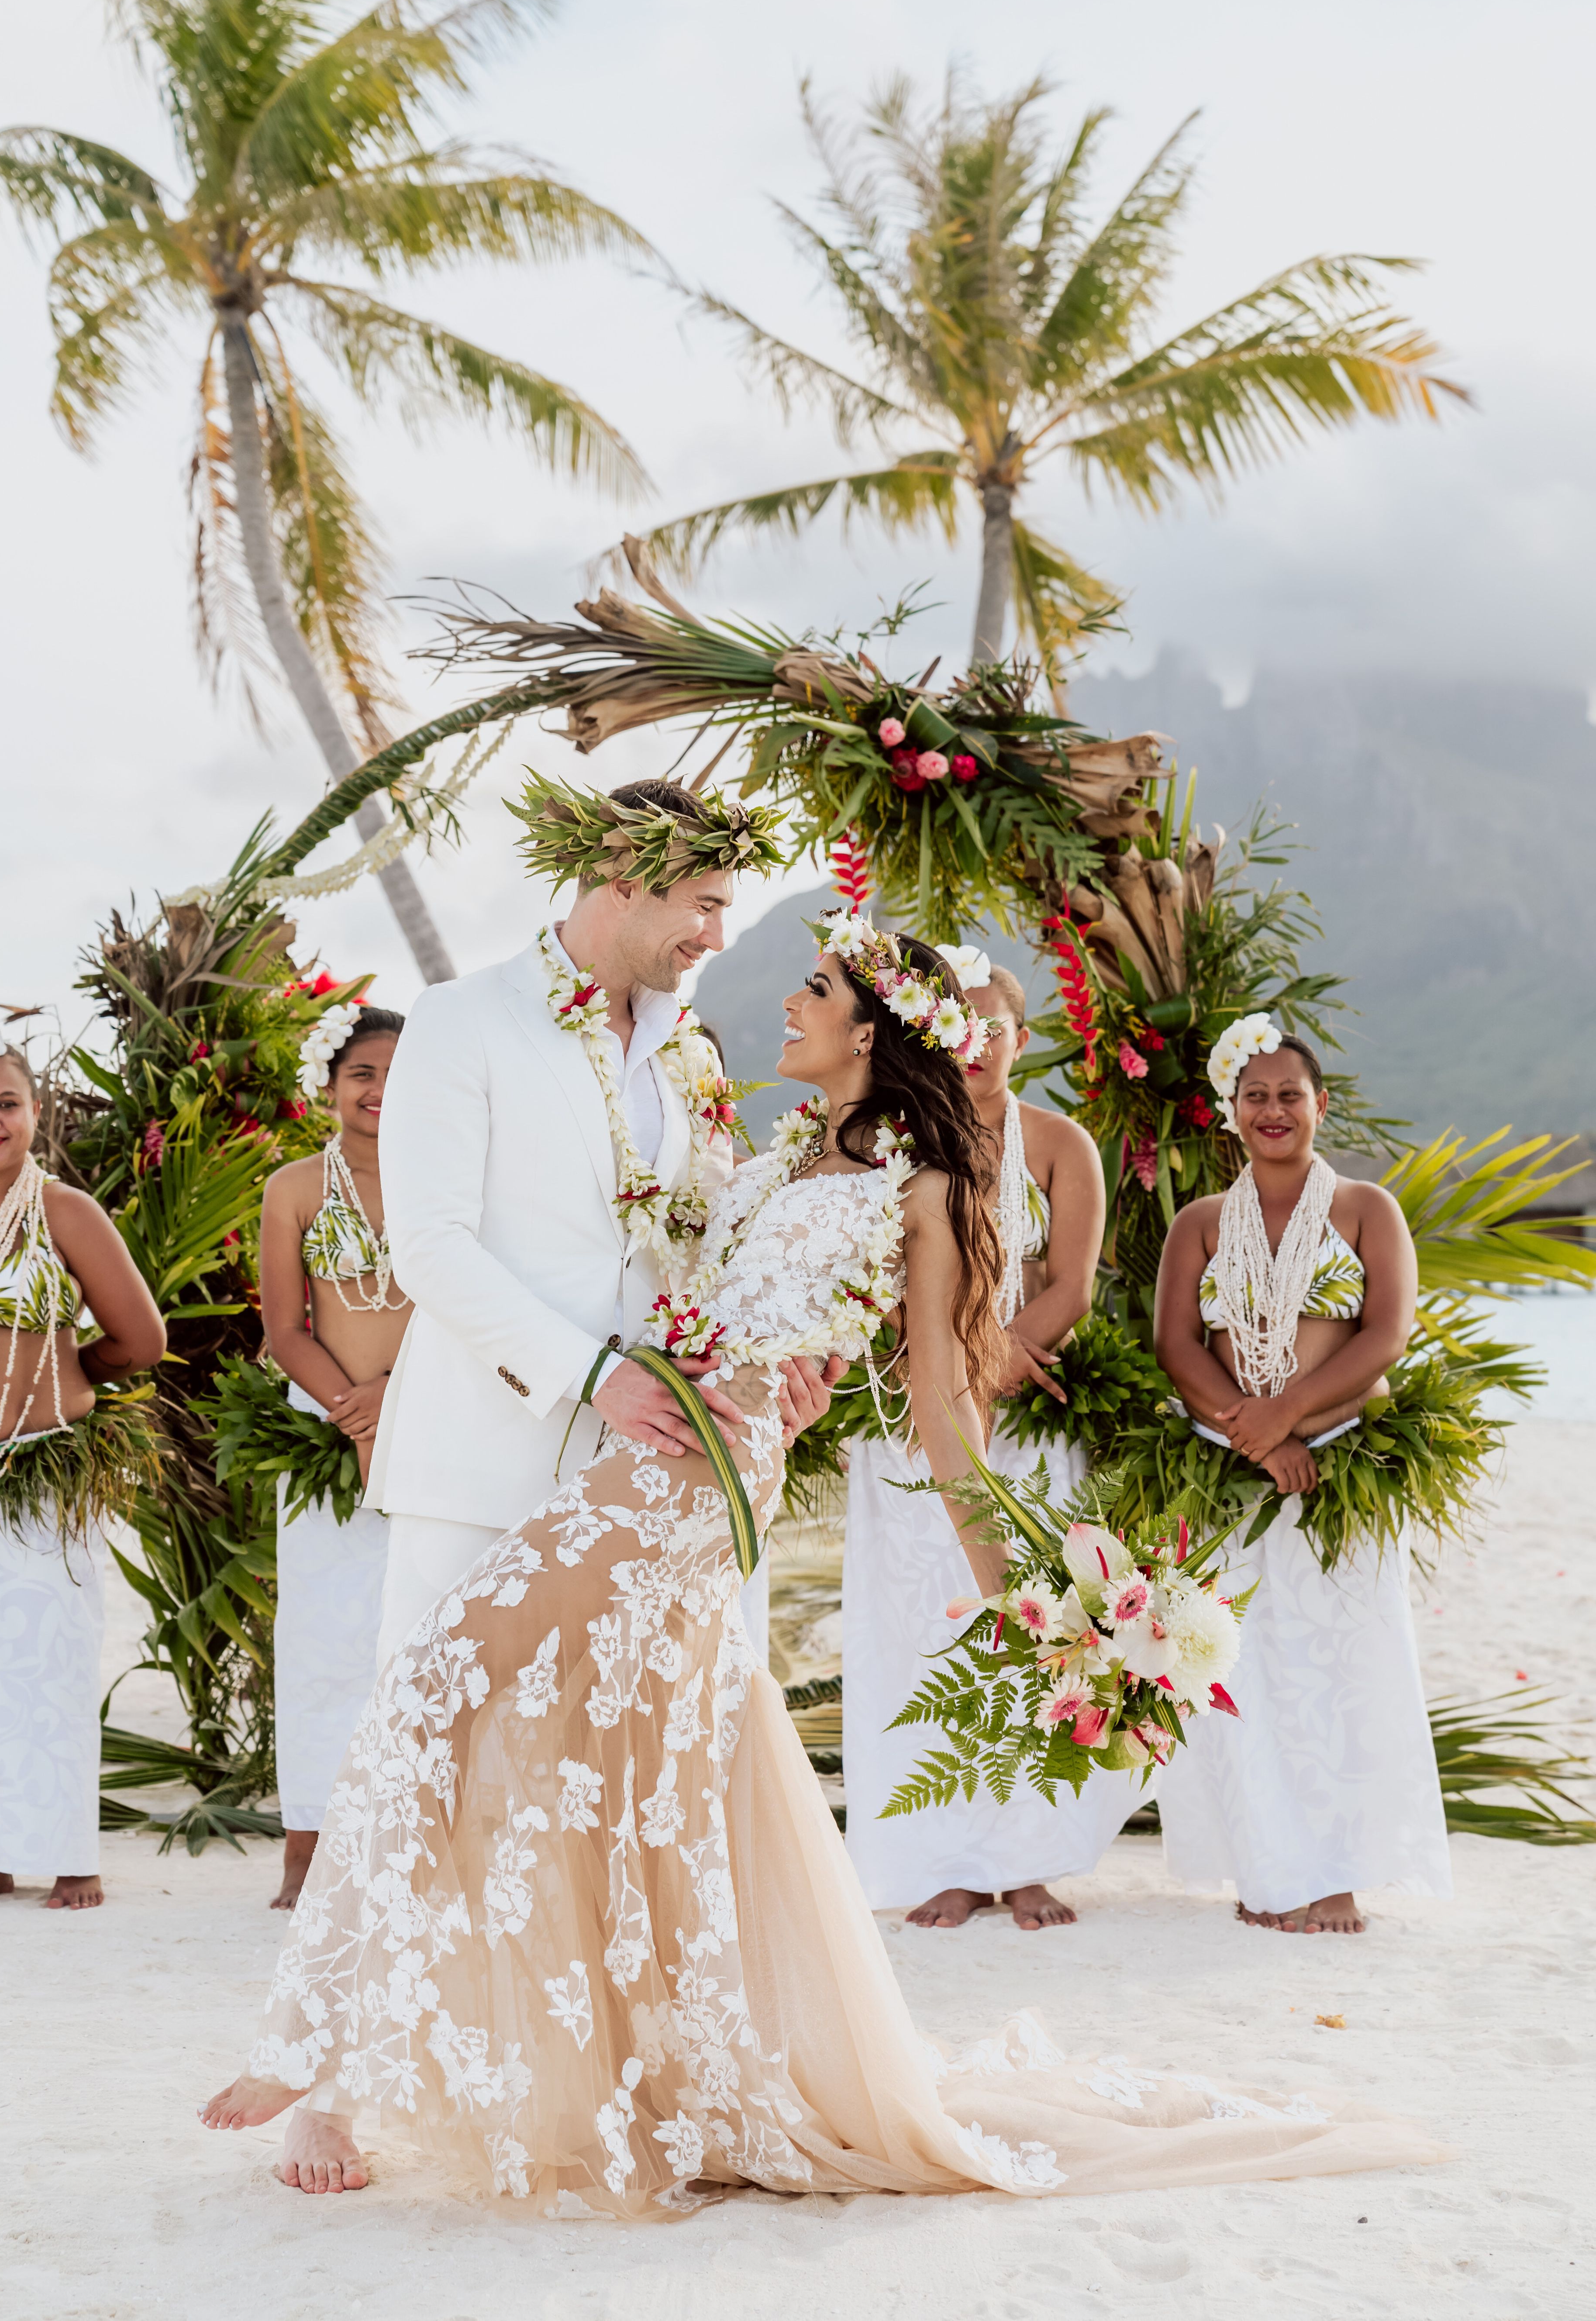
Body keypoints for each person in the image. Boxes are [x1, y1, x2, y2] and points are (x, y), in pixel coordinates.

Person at [200, 899, 1440, 2209]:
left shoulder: (930, 1192)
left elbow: (948, 1421)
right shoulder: (785, 1154)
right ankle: (587, 2069)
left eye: (818, 992)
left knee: (441, 1676)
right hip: (644, 1454)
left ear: (875, 1032)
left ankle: (313, 2050)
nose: (787, 1006)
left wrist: (1040, 1611)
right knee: (600, 1762)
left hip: (694, 1485)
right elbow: (669, 1284)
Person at [231, 775, 835, 2189]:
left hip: (655, 1473)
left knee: (628, 1776)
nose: (713, 934)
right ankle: (334, 2082)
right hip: (483, 1462)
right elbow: (432, 1245)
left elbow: (704, 1250)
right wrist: (587, 1374)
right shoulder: (465, 1023)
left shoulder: (689, 1054)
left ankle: (636, 2071)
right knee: (422, 1757)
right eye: (701, 904)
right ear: (620, 877)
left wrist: (775, 1367)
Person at [843, 951, 1144, 1931]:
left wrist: (1005, 1352)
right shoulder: (892, 1140)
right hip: (915, 1416)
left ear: (1022, 1036)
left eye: (994, 1027)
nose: (976, 1045)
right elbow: (866, 1279)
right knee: (923, 1632)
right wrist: (947, 1360)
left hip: (1026, 1411)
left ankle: (1027, 1859)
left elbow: (1073, 1280)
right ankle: (943, 1858)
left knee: (1023, 1623)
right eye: (953, 1029)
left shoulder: (1060, 1143)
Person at [1151, 1018, 1449, 1934]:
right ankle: (1270, 1867)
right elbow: (1175, 1345)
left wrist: (1292, 1416)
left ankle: (1336, 1877)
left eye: (1290, 1095)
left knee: (1344, 1669)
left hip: (1339, 1467)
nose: (1274, 1110)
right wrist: (1256, 1434)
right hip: (1228, 1470)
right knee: (1247, 1670)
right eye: (1256, 1096)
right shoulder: (1200, 1223)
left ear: (1321, 1105)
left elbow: (1385, 1334)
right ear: (1231, 1114)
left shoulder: (1365, 1208)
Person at [0, 1019, 165, 1909]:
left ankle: (71, 1857)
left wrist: (67, 1378)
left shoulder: (65, 1212)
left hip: (35, 1469)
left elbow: (140, 1339)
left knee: (47, 1665)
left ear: (35, 1114)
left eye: (9, 1104)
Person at [258, 1004, 406, 1911]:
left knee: (424, 1627)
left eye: (396, 1074)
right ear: (331, 1084)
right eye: (363, 1074)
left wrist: (396, 1399)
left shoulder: (449, 1178)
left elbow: (463, 1307)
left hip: (432, 1414)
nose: (380, 1092)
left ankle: (414, 1839)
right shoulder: (294, 1187)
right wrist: (355, 1414)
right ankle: (307, 1845)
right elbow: (283, 1328)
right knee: (322, 1637)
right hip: (323, 1414)